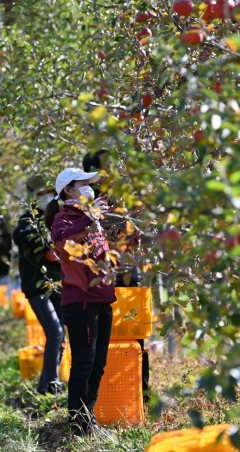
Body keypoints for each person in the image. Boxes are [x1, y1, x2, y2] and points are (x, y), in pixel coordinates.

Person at [45, 167, 116, 436]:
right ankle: (78, 423)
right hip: (80, 301)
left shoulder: (95, 219)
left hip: (101, 298)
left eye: (91, 183)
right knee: (84, 362)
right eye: (83, 183)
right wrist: (89, 217)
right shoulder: (64, 219)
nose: (90, 188)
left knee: (98, 363)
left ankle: (89, 418)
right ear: (69, 190)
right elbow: (63, 244)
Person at [82, 150, 150, 398]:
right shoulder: (86, 200)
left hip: (126, 276)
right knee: (102, 341)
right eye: (109, 167)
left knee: (135, 336)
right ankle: (106, 395)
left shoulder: (122, 198)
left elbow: (133, 237)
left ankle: (140, 392)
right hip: (99, 280)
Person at [12, 174, 65, 395]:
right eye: (41, 195)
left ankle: (46, 386)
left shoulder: (57, 216)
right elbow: (21, 238)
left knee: (60, 334)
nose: (46, 198)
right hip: (37, 286)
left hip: (59, 283)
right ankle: (51, 384)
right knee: (55, 333)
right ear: (34, 197)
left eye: (49, 193)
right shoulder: (28, 221)